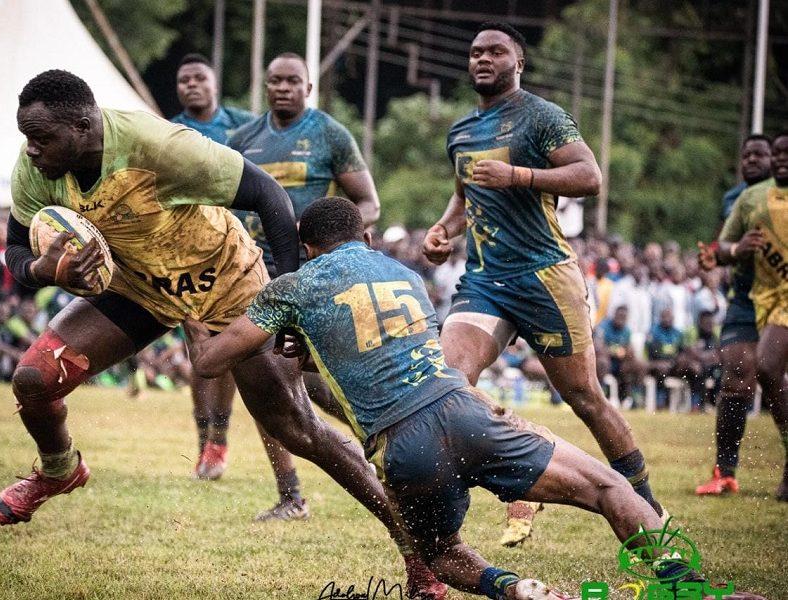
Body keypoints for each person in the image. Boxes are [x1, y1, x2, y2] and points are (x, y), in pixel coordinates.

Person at [0, 70, 443, 599]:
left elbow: (270, 196)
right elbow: (16, 252)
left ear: (84, 126)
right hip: (138, 285)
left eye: (42, 138)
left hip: (226, 281)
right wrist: (51, 271)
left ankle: (421, 554)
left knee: (296, 428)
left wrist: (292, 304)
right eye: (27, 137)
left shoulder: (159, 147)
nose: (31, 150)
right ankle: (59, 470)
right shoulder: (36, 168)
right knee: (34, 379)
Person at [184, 197, 754, 600]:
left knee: (444, 557)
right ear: (363, 239)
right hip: (464, 410)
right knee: (609, 487)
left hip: (401, 448)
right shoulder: (402, 273)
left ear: (307, 248)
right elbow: (383, 345)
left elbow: (212, 361)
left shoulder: (295, 285)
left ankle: (515, 589)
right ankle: (692, 593)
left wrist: (183, 309)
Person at [421, 22, 662, 546]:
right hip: (484, 282)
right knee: (449, 387)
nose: (483, 58)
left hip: (544, 278)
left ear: (518, 62)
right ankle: (522, 477)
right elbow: (464, 198)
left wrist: (522, 177)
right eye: (475, 51)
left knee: (584, 397)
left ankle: (646, 506)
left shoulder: (542, 116)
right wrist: (443, 230)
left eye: (496, 51)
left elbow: (589, 176)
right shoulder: (460, 131)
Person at [228, 52, 381, 521]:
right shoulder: (241, 140)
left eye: (293, 81)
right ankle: (291, 494)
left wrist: (336, 246)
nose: (283, 88)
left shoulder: (331, 134)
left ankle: (383, 447)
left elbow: (368, 204)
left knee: (323, 380)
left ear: (308, 88)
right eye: (275, 81)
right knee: (265, 382)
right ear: (265, 85)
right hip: (257, 274)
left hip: (315, 276)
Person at [169, 53, 255, 480]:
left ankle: (219, 438)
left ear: (215, 83)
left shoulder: (243, 127)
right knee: (198, 352)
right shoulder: (167, 133)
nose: (191, 86)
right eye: (184, 80)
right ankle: (207, 445)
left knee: (233, 354)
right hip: (187, 256)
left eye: (199, 78)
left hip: (236, 252)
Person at [698, 131, 788, 501]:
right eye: (746, 154)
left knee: (769, 370)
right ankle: (725, 471)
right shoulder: (737, 198)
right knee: (736, 377)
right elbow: (719, 247)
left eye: (761, 154)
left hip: (779, 293)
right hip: (743, 300)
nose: (752, 160)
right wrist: (716, 254)